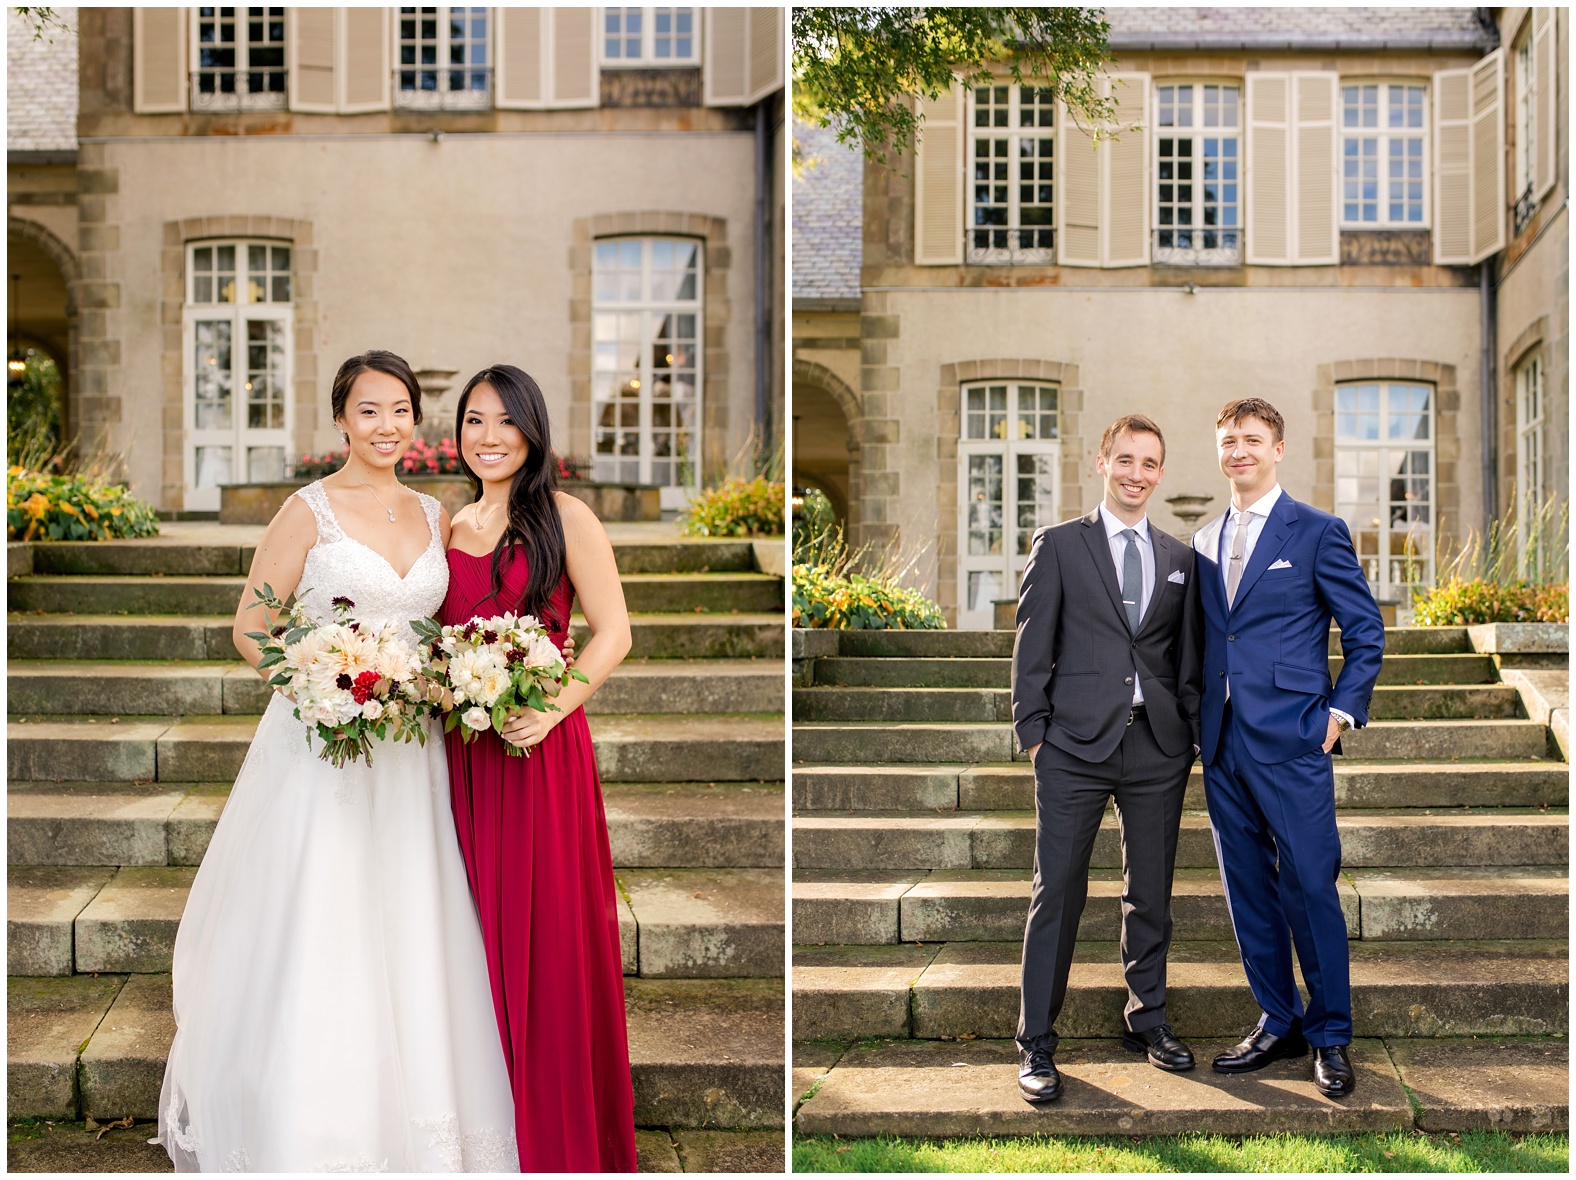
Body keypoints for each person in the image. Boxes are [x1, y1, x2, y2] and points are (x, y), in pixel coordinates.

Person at [156, 351, 518, 1171]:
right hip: (325, 749)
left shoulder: (437, 516)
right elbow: (252, 627)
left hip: (413, 755)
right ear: (342, 420)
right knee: (327, 915)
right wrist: (318, 690)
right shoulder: (306, 512)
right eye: (369, 411)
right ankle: (313, 1123)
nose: (387, 427)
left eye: (400, 411)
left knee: (415, 916)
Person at [442, 364, 637, 1171]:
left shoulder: (564, 515)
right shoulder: (449, 528)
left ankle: (560, 1140)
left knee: (549, 938)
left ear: (532, 430)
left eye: (504, 423)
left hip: (538, 751)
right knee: (472, 936)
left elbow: (614, 632)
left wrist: (552, 707)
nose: (488, 439)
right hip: (459, 757)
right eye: (474, 422)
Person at [1190, 397, 1385, 1098]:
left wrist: (1339, 715)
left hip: (1296, 739)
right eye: (1228, 441)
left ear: (1277, 449)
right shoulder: (1205, 540)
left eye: (1251, 439)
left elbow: (1365, 632)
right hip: (1222, 744)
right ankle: (1278, 1020)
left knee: (1309, 887)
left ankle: (1330, 1036)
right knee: (1248, 894)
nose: (1238, 451)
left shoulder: (1317, 532)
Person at [1011, 414, 1204, 1104]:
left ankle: (1147, 1020)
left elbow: (1185, 658)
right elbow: (1033, 645)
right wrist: (1034, 733)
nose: (1137, 474)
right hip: (1072, 747)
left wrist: (1188, 731)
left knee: (1150, 891)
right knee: (1057, 891)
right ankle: (1037, 1041)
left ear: (1160, 472)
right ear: (1102, 464)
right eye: (1126, 460)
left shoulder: (1180, 559)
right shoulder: (1061, 545)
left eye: (1150, 463)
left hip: (1156, 748)